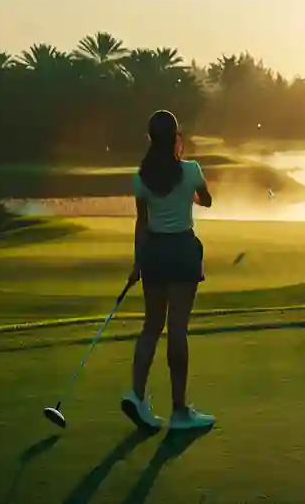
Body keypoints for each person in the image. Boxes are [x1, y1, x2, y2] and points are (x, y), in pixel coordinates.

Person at [121, 109, 215, 431]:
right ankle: (178, 410)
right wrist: (187, 173)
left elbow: (142, 224)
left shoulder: (141, 177)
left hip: (155, 254)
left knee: (152, 325)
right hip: (182, 251)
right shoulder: (190, 170)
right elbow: (207, 200)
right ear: (176, 137)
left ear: (150, 139)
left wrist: (138, 263)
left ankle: (136, 394)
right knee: (177, 329)